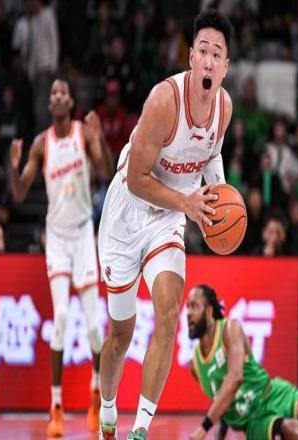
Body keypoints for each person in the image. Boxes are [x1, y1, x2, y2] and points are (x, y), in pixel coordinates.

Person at [97, 10, 234, 440]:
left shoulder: (224, 108)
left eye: (217, 54)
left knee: (171, 312)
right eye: (203, 51)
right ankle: (107, 412)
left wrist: (218, 199)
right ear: (191, 57)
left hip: (170, 219)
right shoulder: (163, 101)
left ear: (225, 66)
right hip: (127, 211)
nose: (209, 60)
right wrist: (188, 202)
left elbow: (211, 154)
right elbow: (137, 179)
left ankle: (140, 430)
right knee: (121, 336)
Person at [9, 79, 112, 437]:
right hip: (56, 237)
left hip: (83, 235)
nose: (55, 96)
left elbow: (108, 171)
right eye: (52, 93)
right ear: (49, 103)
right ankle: (56, 406)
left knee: (95, 325)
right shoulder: (41, 143)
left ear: (70, 101)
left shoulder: (85, 133)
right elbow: (19, 193)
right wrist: (13, 166)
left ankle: (96, 390)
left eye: (61, 92)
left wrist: (102, 141)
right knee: (62, 317)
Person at [186, 284, 298, 440]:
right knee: (289, 428)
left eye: (194, 306)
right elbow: (221, 403)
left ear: (209, 311)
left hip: (273, 394)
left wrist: (203, 428)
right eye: (187, 307)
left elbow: (235, 379)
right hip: (254, 422)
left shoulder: (229, 328)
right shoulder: (196, 366)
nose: (188, 313)